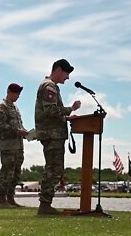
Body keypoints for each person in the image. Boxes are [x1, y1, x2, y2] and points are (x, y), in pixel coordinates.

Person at [35, 59, 81, 215]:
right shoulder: (49, 86)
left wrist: (67, 118)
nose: (67, 77)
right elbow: (50, 110)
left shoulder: (50, 86)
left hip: (52, 134)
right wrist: (70, 109)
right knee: (53, 169)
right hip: (52, 135)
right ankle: (45, 205)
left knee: (55, 169)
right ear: (59, 70)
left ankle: (45, 204)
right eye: (67, 73)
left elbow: (50, 113)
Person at [0, 83, 30, 208]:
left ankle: (11, 198)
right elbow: (2, 126)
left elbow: (19, 126)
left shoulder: (15, 108)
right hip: (8, 146)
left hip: (18, 146)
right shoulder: (2, 107)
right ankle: (2, 200)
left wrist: (27, 133)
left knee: (16, 173)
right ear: (9, 92)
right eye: (16, 93)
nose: (18, 96)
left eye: (19, 93)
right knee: (7, 172)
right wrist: (18, 131)